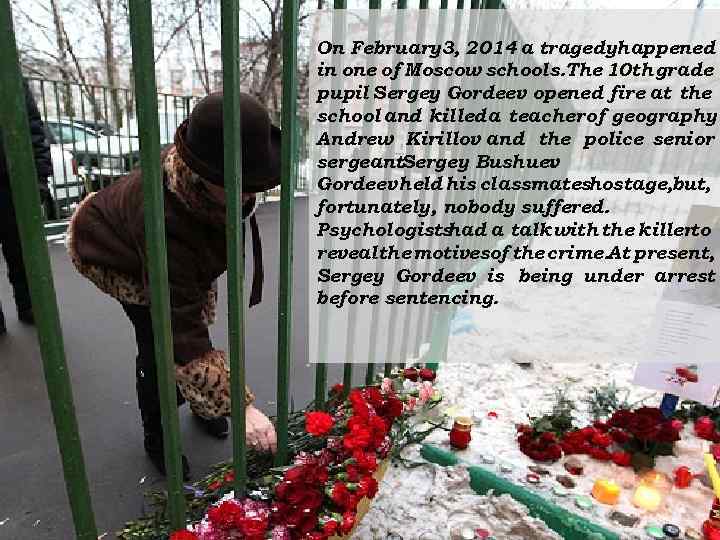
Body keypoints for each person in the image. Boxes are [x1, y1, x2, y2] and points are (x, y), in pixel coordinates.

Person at [66, 93, 280, 478]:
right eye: (238, 182)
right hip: (112, 249)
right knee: (159, 343)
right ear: (203, 175)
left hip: (169, 249)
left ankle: (202, 403)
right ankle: (158, 435)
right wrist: (239, 406)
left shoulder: (204, 179)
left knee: (191, 321)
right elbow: (179, 323)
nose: (249, 193)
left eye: (253, 181)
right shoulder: (163, 220)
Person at [0, 81, 54, 335]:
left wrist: (40, 178)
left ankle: (30, 305)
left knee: (21, 250)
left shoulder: (8, 75)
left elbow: (33, 128)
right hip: (11, 177)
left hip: (13, 180)